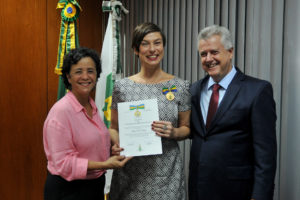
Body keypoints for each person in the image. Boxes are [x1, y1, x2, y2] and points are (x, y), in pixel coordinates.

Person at [189, 25, 277, 200]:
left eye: (214, 52)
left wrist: (259, 196)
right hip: (199, 189)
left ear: (230, 52)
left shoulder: (257, 90)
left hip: (237, 191)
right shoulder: (194, 90)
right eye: (203, 54)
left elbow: (266, 154)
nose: (208, 59)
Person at [108, 22, 191, 200]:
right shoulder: (121, 87)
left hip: (166, 175)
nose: (152, 49)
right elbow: (113, 127)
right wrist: (119, 144)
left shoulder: (180, 86)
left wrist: (174, 132)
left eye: (157, 43)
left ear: (163, 46)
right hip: (130, 172)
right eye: (145, 43)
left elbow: (187, 127)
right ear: (136, 50)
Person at [43, 47, 131, 200]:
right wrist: (106, 164)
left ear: (97, 75)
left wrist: (112, 152)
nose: (85, 76)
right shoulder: (61, 112)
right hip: (68, 190)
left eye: (90, 71)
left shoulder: (92, 106)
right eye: (78, 72)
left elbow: (90, 145)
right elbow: (64, 164)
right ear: (68, 77)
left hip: (94, 186)